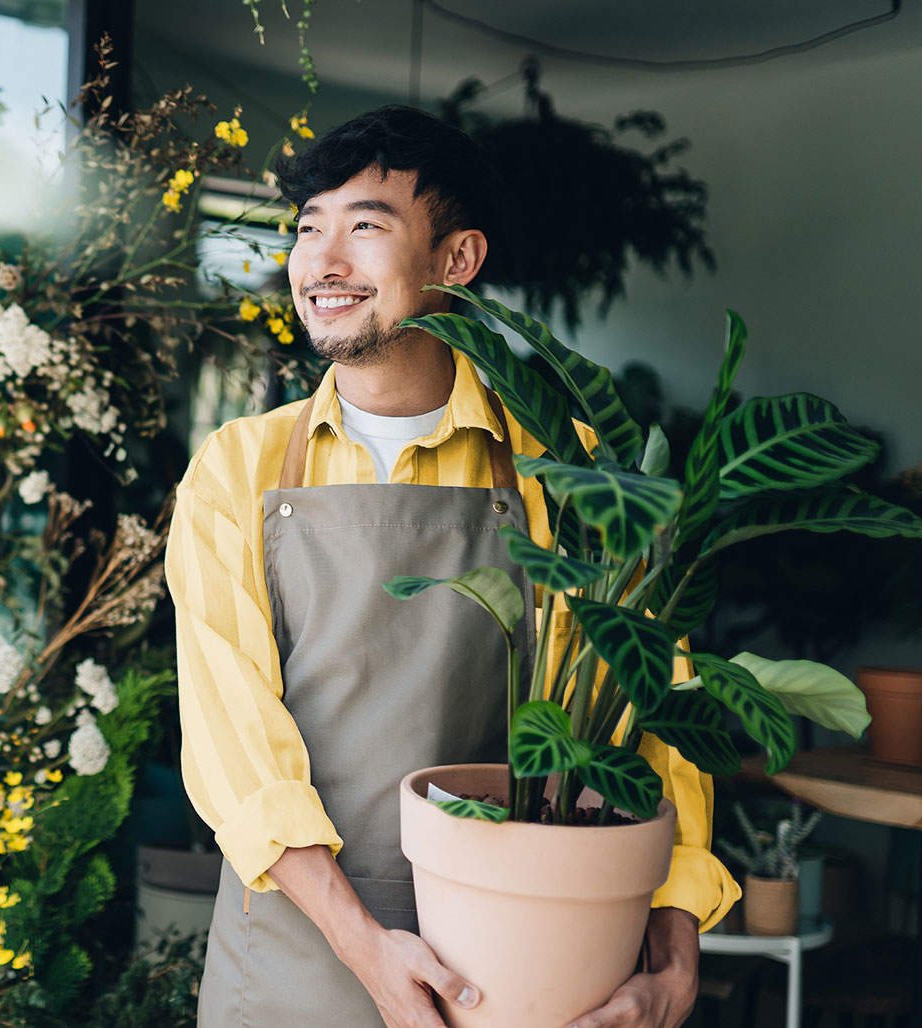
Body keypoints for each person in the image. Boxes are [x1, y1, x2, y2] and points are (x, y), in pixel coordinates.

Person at [163, 105, 739, 1028]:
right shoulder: (238, 469)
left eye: (365, 226)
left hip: (525, 965)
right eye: (309, 229)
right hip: (295, 959)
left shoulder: (575, 470)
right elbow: (232, 740)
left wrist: (674, 955)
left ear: (458, 261)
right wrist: (366, 946)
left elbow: (656, 717)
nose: (323, 262)